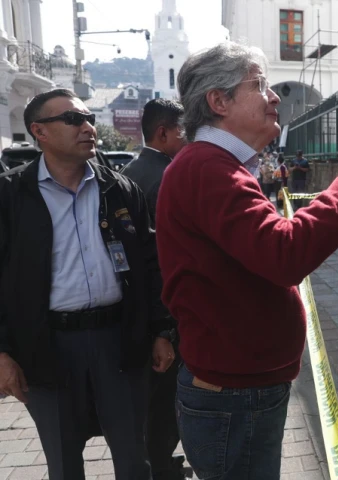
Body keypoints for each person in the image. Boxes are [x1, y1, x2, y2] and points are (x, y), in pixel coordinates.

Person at [155, 42, 338, 480]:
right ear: (218, 101)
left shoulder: (213, 165)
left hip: (239, 387)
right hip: (235, 394)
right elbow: (284, 253)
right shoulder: (209, 168)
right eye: (259, 85)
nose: (274, 96)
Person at [0, 89, 175, 480]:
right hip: (46, 346)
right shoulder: (11, 194)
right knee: (64, 463)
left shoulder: (119, 189)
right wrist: (2, 353)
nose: (87, 127)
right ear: (39, 131)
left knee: (134, 459)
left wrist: (161, 331)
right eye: (72, 119)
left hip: (119, 342)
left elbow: (150, 265)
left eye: (89, 118)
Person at [121, 97, 188, 480]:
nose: (188, 139)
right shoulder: (167, 177)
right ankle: (161, 466)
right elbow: (169, 251)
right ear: (163, 133)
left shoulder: (130, 171)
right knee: (165, 395)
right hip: (165, 306)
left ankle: (158, 461)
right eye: (184, 131)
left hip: (138, 304)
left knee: (152, 396)